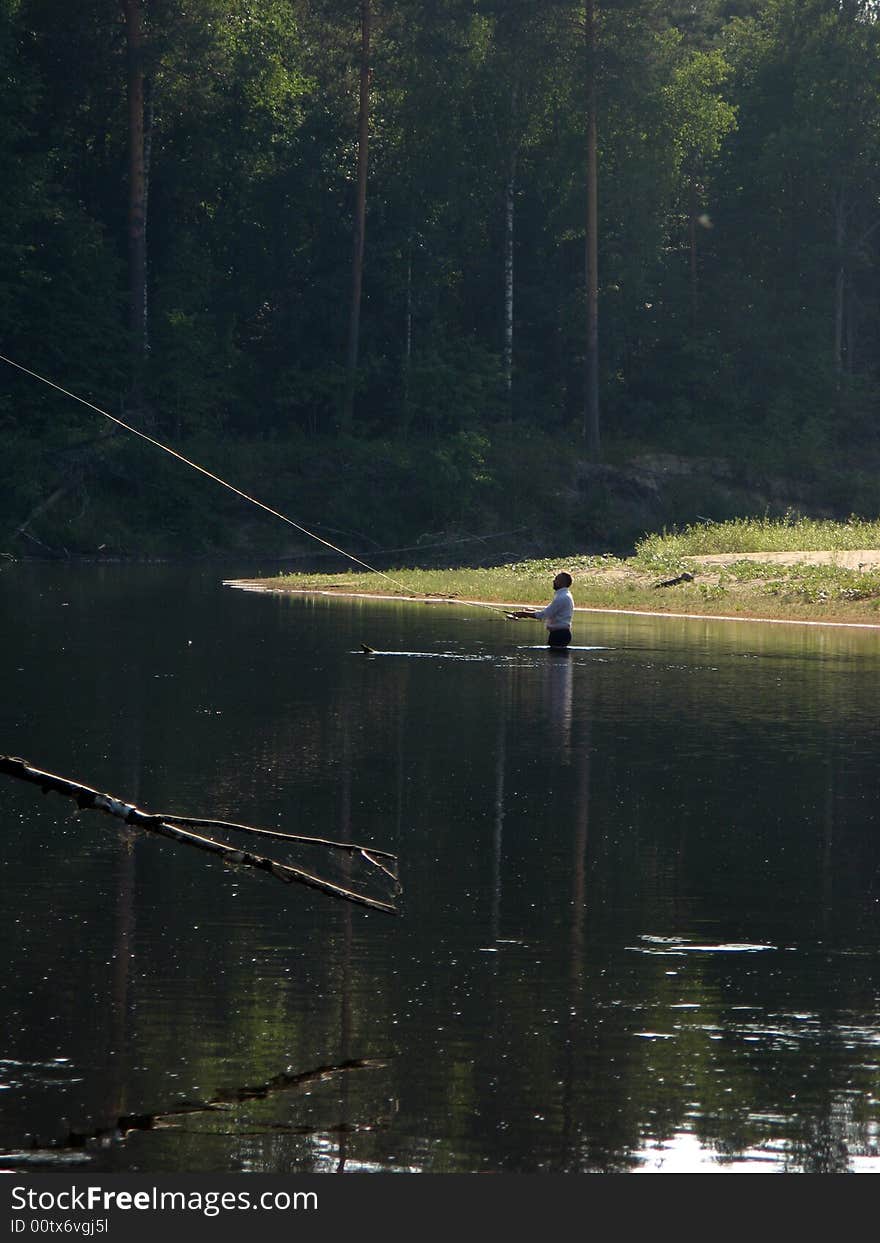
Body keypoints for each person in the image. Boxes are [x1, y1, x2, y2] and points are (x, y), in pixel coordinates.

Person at [509, 571, 574, 647]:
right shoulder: (564, 595)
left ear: (562, 582)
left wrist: (524, 613)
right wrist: (530, 611)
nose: (553, 581)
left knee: (555, 657)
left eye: (556, 579)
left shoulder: (562, 597)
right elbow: (549, 612)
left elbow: (544, 615)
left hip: (559, 635)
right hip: (560, 634)